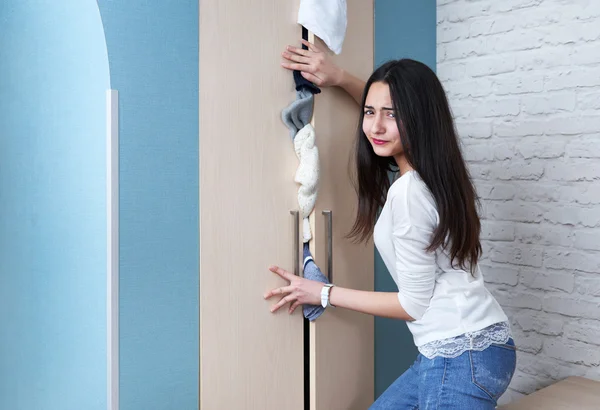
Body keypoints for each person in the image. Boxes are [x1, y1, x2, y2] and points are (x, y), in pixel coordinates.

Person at [264, 40, 516, 409]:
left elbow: (413, 304)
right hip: (478, 345)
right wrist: (341, 78)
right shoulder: (440, 175)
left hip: (458, 356)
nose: (375, 126)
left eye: (392, 114)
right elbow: (390, 114)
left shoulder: (409, 193)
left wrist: (322, 293)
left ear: (418, 119)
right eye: (369, 111)